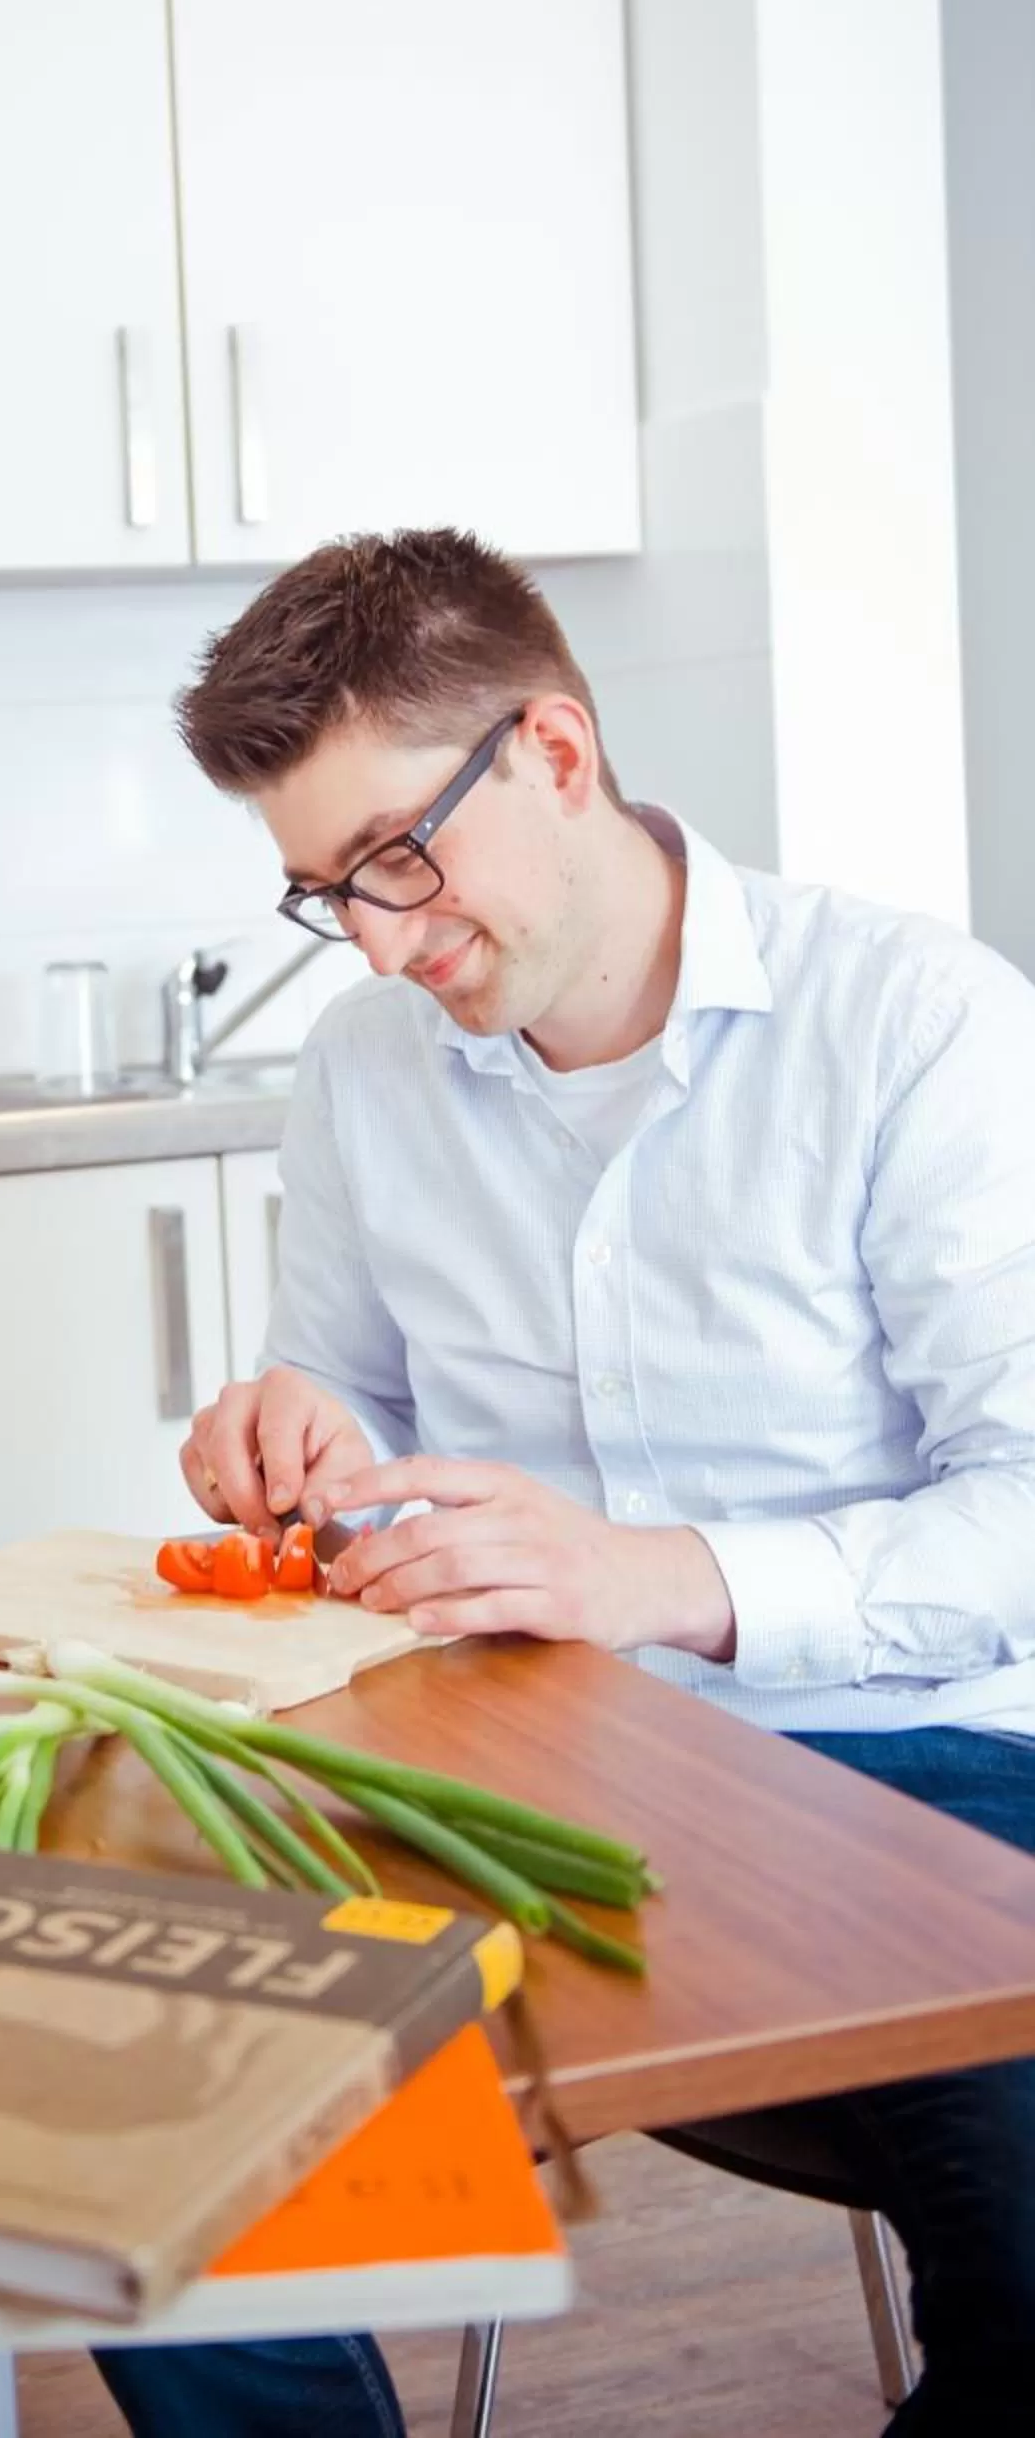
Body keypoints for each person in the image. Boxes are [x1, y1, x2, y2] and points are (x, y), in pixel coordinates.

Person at [93, 529, 1035, 2438]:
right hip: (522, 1780)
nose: (369, 939)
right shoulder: (369, 1071)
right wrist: (288, 1439)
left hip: (934, 1769)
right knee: (130, 2132)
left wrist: (655, 1579)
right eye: (321, 894)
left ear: (556, 753)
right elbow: (345, 1404)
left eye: (395, 863)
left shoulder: (917, 1023)